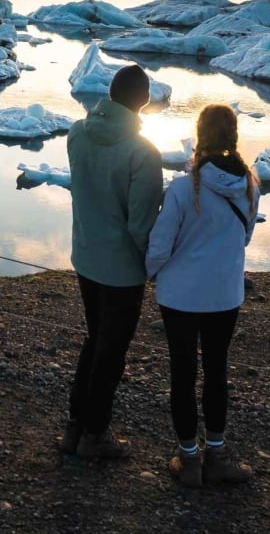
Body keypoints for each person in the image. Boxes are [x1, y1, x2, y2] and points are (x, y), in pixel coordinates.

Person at [145, 104, 258, 488]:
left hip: (179, 296)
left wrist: (152, 272)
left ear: (200, 135)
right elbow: (244, 237)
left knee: (182, 371)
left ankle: (189, 460)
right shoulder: (249, 186)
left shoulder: (182, 188)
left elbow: (161, 244)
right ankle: (218, 454)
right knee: (216, 370)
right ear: (233, 135)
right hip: (224, 295)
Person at [62, 64, 164, 459]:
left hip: (85, 257)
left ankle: (75, 425)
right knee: (111, 350)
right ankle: (95, 435)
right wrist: (153, 264)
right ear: (143, 100)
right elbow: (141, 225)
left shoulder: (76, 134)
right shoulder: (143, 152)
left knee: (94, 340)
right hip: (121, 270)